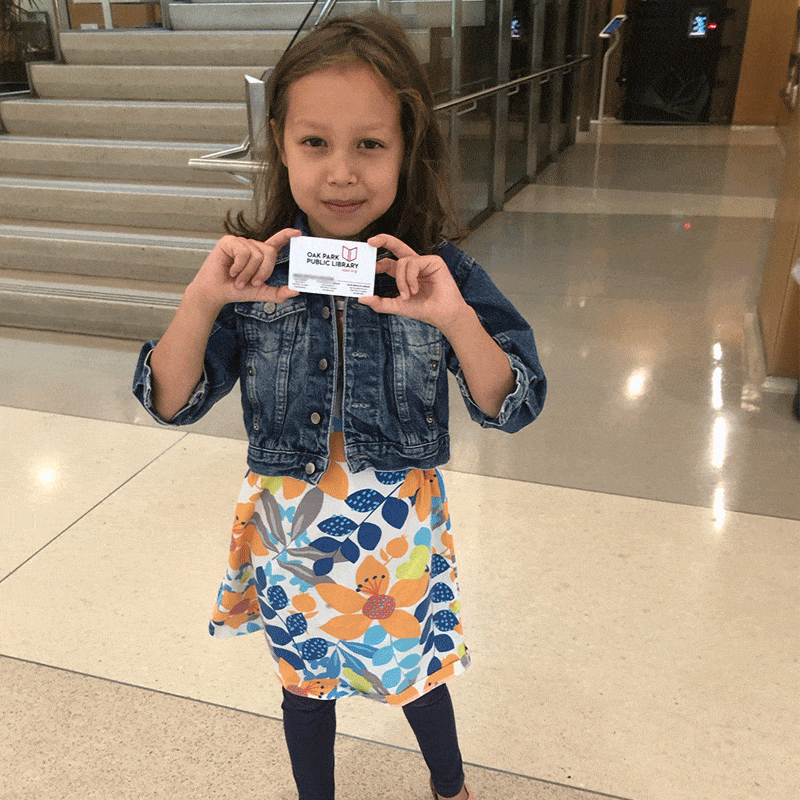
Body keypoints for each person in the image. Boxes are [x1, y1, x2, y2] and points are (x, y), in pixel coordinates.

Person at [133, 13, 545, 800]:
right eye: (314, 143)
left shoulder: (439, 271)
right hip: (291, 531)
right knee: (303, 684)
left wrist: (454, 317)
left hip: (399, 528)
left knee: (418, 672)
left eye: (370, 144)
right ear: (279, 146)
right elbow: (171, 399)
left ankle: (450, 785)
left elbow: (513, 404)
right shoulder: (258, 275)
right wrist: (202, 299)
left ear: (408, 148)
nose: (341, 173)